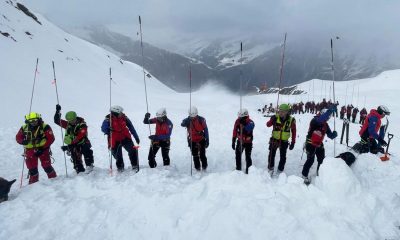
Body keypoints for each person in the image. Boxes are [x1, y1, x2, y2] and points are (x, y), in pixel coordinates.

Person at [16, 112, 57, 184]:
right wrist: (22, 141)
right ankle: (33, 184)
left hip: (43, 150)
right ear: (28, 121)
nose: (33, 122)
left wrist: (42, 148)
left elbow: (51, 138)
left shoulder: (45, 126)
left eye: (35, 120)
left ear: (38, 119)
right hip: (30, 150)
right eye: (31, 121)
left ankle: (54, 180)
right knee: (32, 168)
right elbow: (18, 137)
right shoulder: (24, 127)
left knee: (47, 166)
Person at [301, 107, 337, 184]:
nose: (328, 118)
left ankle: (320, 174)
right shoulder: (315, 120)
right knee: (310, 160)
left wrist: (333, 135)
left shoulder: (325, 125)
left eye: (329, 117)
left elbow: (330, 135)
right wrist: (330, 110)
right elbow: (321, 119)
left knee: (321, 160)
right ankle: (304, 175)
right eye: (327, 116)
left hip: (319, 144)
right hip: (310, 143)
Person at [54, 105, 94, 174]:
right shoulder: (68, 124)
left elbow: (81, 135)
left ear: (76, 118)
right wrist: (58, 111)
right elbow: (57, 121)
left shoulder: (82, 124)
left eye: (73, 120)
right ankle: (79, 170)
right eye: (69, 120)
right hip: (74, 144)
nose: (71, 122)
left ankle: (89, 165)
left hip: (83, 142)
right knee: (75, 157)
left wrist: (69, 146)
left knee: (86, 150)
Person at [101, 105, 140, 172]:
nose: (122, 113)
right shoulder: (108, 119)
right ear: (115, 113)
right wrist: (107, 129)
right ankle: (120, 167)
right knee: (117, 155)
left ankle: (135, 165)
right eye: (120, 112)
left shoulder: (124, 118)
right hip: (114, 139)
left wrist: (136, 137)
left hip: (125, 137)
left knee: (132, 150)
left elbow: (131, 127)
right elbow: (103, 128)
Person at [266, 104, 296, 176]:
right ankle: (271, 168)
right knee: (271, 154)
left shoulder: (291, 120)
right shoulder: (275, 118)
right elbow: (268, 125)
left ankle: (280, 170)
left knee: (283, 156)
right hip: (274, 139)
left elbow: (294, 131)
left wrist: (293, 142)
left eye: (283, 111)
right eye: (280, 111)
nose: (280, 113)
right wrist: (271, 119)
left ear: (287, 112)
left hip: (284, 141)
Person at [181, 106, 209, 171]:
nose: (193, 117)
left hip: (201, 139)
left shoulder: (201, 119)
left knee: (202, 154)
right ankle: (197, 167)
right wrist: (185, 123)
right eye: (192, 116)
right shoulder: (187, 120)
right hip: (192, 140)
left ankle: (205, 166)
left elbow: (206, 130)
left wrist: (207, 140)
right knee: (195, 154)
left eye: (194, 116)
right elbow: (182, 124)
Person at [232, 108, 255, 174]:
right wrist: (233, 140)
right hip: (240, 141)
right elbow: (235, 130)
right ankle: (238, 168)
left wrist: (244, 124)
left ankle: (249, 170)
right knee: (238, 155)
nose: (239, 118)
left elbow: (248, 129)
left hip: (248, 143)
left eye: (240, 117)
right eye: (239, 117)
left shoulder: (251, 122)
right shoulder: (237, 121)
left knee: (248, 156)